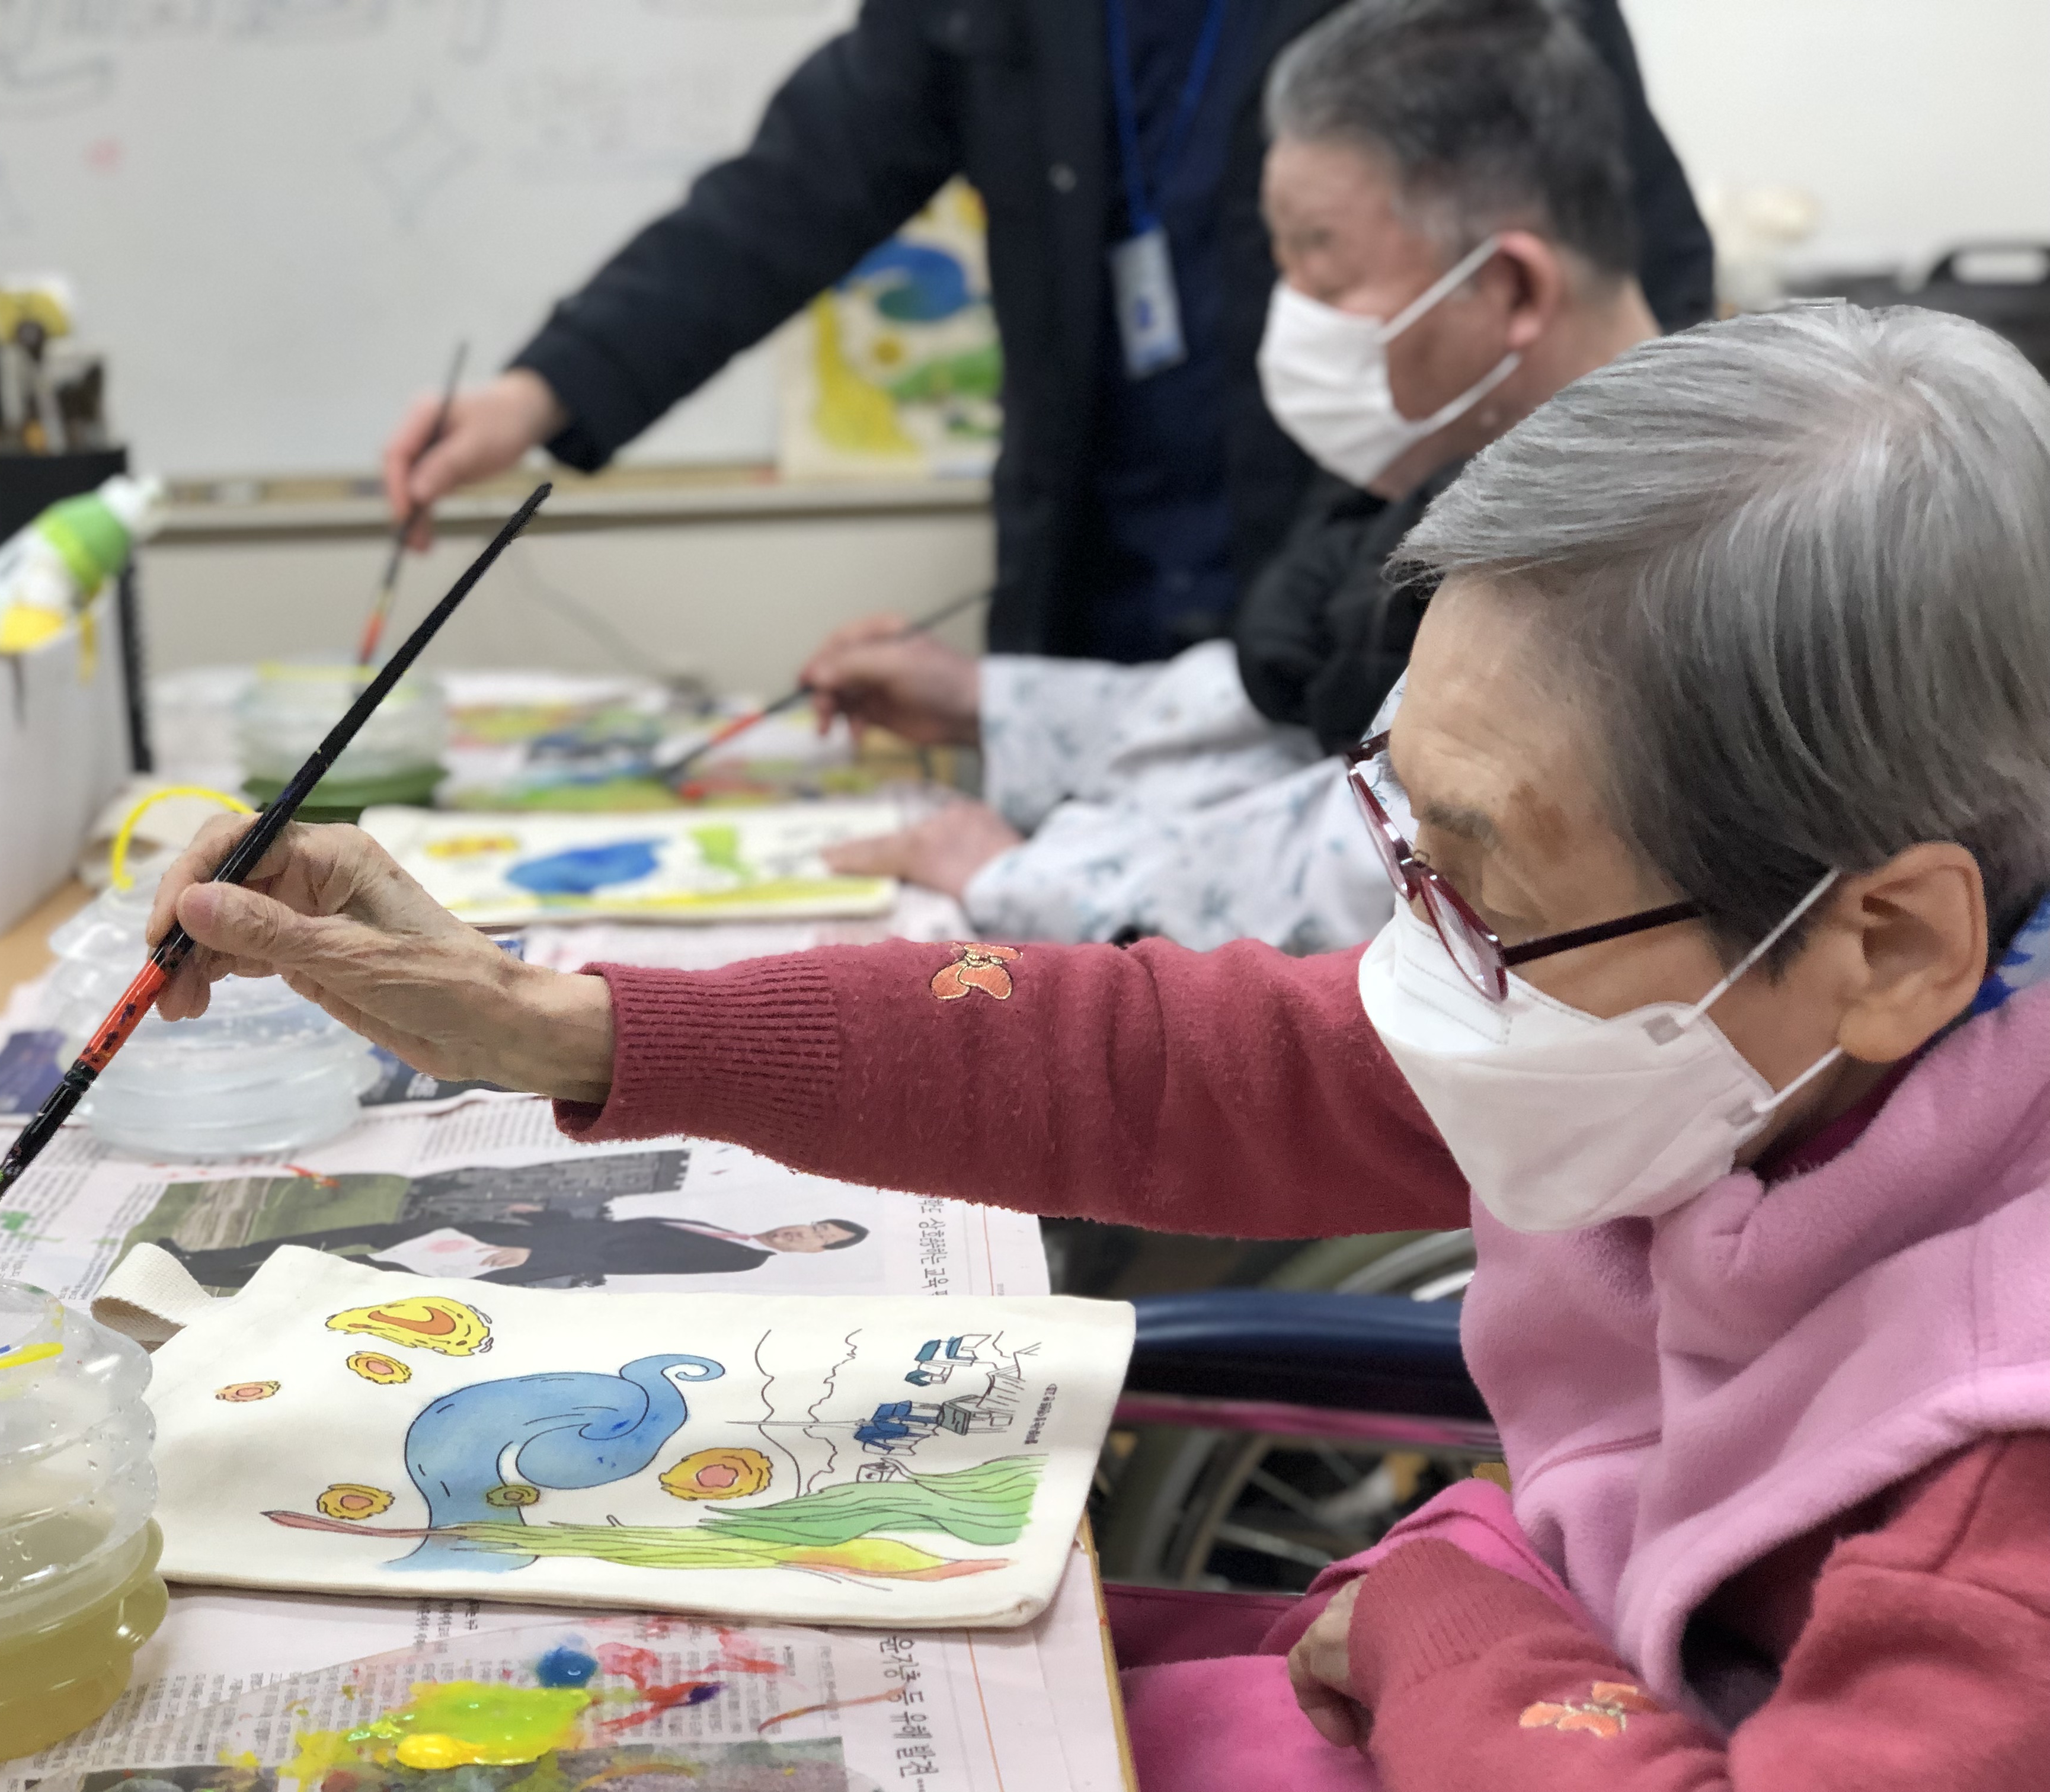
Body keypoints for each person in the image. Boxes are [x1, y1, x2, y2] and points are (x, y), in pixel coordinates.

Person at [155, 301, 2050, 1785]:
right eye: (1406, 837)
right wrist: (562, 1024)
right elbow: (1148, 1063)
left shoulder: (2002, 1495)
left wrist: (1456, 1620)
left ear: (1887, 942)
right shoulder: (1737, 1035)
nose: (1419, 950)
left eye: (1484, 885)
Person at [381, 0, 1709, 663]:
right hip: (1091, 582)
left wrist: (1562, 598)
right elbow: (798, 184)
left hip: (1373, 586)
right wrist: (545, 389)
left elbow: (1625, 277)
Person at [807, 0, 1659, 952]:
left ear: (1512, 289)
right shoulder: (1480, 481)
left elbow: (1376, 865)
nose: (1290, 324)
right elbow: (1276, 726)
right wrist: (989, 704)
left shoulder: (1626, 566)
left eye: (1328, 282)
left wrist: (1017, 875)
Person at [162, 1214, 867, 1289]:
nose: (801, 1235)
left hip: (527, 1256)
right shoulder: (730, 1232)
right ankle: (205, 1263)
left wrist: (535, 1252)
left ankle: (203, 1278)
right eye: (812, 1226)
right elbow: (620, 1231)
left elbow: (621, 1258)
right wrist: (548, 1218)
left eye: (817, 1242)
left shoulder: (741, 1260)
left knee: (365, 1269)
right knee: (374, 1230)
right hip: (532, 1236)